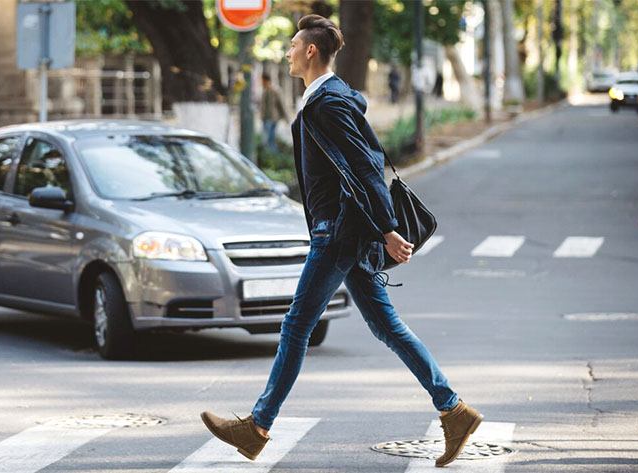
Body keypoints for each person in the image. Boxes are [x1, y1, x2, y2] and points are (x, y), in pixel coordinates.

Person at [200, 14, 483, 468]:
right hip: (345, 231)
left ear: (310, 51)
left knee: (295, 327)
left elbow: (365, 167)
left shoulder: (328, 103)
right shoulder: (325, 98)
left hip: (338, 233)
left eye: (293, 44)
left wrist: (388, 229)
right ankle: (453, 410)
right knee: (386, 326)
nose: (288, 51)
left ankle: (256, 427)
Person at [260, 72, 289, 152]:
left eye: (262, 80)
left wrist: (286, 118)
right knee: (268, 138)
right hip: (265, 118)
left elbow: (281, 105)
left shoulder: (275, 90)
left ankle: (272, 155)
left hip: (272, 118)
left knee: (269, 139)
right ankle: (270, 155)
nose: (261, 82)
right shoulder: (265, 91)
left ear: (265, 80)